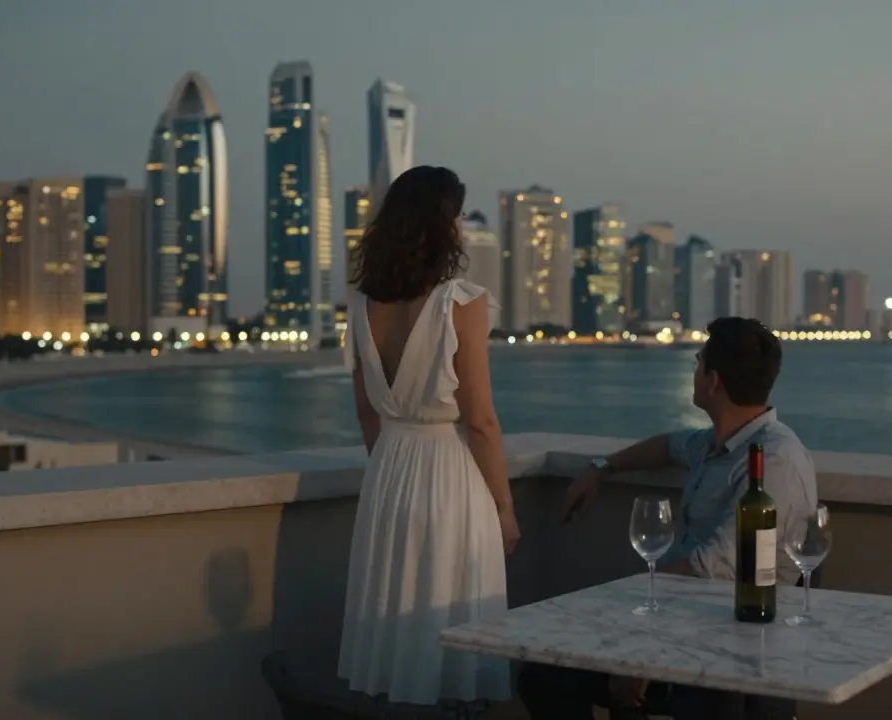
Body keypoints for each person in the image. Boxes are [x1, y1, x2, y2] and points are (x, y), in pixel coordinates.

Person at [518, 316, 818, 720]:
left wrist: (637, 650)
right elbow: (668, 447)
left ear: (712, 381)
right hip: (684, 624)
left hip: (726, 645)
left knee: (554, 675)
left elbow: (710, 573)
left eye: (698, 363)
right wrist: (602, 467)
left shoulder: (774, 461)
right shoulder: (718, 444)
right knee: (541, 675)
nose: (694, 373)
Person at [337, 165, 518, 708]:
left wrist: (391, 469)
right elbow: (481, 419)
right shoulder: (460, 302)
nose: (462, 227)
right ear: (442, 226)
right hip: (448, 475)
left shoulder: (363, 306)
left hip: (389, 472)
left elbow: (367, 414)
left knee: (397, 622)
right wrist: (505, 508)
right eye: (458, 216)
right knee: (453, 620)